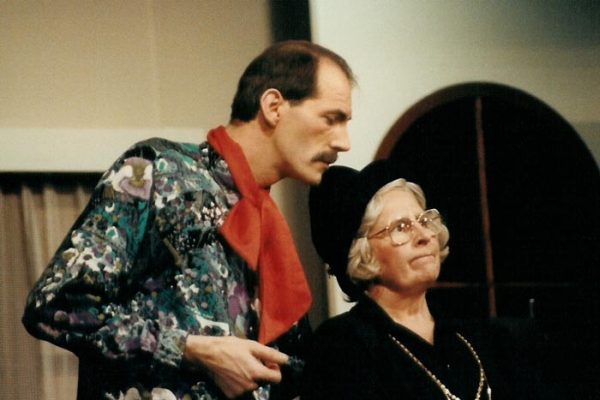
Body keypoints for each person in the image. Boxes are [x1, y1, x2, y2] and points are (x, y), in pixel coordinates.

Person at [21, 40, 354, 400]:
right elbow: (56, 303)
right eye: (331, 119)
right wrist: (191, 350)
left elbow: (290, 369)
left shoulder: (267, 222)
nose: (344, 142)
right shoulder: (154, 168)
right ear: (274, 106)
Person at [303, 160, 552, 400]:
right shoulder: (342, 346)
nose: (424, 235)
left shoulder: (485, 338)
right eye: (400, 227)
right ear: (363, 253)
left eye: (424, 221)